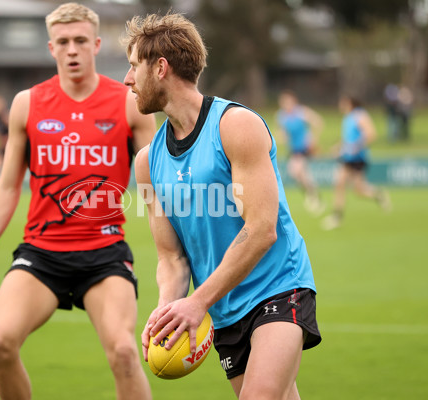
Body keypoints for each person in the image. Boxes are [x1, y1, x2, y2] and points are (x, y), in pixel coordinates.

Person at [0, 4, 155, 399]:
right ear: (50, 47)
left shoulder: (129, 102)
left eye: (79, 41)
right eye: (62, 42)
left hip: (105, 253)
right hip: (41, 253)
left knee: (125, 352)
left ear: (96, 44)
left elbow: (155, 189)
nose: (71, 49)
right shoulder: (27, 103)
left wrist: (182, 253)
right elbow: (7, 187)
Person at [123, 13, 321, 399]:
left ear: (160, 68)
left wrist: (196, 302)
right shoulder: (145, 164)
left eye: (133, 67)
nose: (127, 80)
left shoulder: (236, 126)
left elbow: (262, 228)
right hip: (222, 309)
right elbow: (171, 259)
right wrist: (169, 310)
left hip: (278, 288)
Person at [321, 95, 391, 231]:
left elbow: (371, 134)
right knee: (339, 183)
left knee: (359, 190)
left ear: (349, 103)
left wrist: (355, 147)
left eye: (342, 102)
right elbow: (348, 139)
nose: (339, 105)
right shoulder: (347, 118)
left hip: (358, 158)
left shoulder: (360, 115)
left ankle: (378, 194)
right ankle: (337, 217)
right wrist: (338, 147)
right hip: (347, 158)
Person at [276, 90, 324, 214]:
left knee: (297, 171)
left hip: (304, 148)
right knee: (298, 174)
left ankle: (313, 196)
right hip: (293, 149)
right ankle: (313, 194)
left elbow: (318, 122)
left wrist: (313, 137)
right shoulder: (282, 116)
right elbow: (284, 134)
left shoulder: (301, 112)